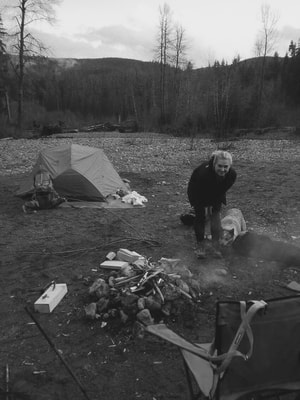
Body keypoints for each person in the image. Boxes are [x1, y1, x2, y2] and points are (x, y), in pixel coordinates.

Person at [187, 150, 237, 258]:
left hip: (216, 194)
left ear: (229, 166)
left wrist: (213, 207)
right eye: (220, 166)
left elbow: (221, 190)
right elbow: (198, 192)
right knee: (201, 217)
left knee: (215, 219)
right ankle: (200, 245)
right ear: (214, 164)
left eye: (225, 166)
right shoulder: (202, 174)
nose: (223, 169)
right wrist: (205, 208)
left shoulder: (232, 175)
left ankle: (215, 246)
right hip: (198, 193)